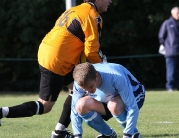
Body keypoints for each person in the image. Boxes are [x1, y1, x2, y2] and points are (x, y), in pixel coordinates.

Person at [0, 0, 112, 138]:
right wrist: (104, 67)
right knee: (45, 105)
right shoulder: (92, 15)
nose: (110, 1)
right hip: (58, 59)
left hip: (50, 52)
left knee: (78, 90)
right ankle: (1, 112)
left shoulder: (76, 10)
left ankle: (60, 132)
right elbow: (91, 52)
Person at [71, 62, 145, 138]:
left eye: (90, 87)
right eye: (84, 89)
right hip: (107, 99)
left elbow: (132, 107)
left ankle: (134, 134)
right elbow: (74, 110)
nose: (88, 92)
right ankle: (108, 134)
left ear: (97, 76)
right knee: (80, 105)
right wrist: (77, 135)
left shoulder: (115, 77)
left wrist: (127, 134)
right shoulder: (78, 81)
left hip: (134, 94)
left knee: (114, 105)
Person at [158, 6, 179, 92]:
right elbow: (161, 37)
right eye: (177, 13)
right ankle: (170, 87)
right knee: (171, 71)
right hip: (171, 52)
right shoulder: (167, 23)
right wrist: (168, 46)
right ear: (172, 14)